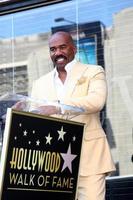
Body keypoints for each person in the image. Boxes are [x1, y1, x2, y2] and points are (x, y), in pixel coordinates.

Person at [19, 31, 116, 200]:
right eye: (53, 49)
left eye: (62, 47)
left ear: (74, 48)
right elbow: (36, 119)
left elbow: (97, 101)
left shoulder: (93, 71)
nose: (57, 53)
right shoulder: (39, 83)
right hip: (53, 165)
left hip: (90, 160)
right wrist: (21, 112)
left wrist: (58, 107)